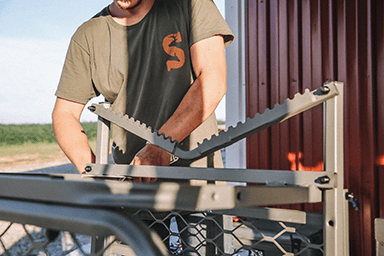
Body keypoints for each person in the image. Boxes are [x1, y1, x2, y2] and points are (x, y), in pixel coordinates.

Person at [52, 0, 233, 178]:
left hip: (196, 181)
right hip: (133, 183)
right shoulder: (88, 35)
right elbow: (65, 113)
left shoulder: (190, 5)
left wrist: (161, 145)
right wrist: (96, 175)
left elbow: (212, 81)